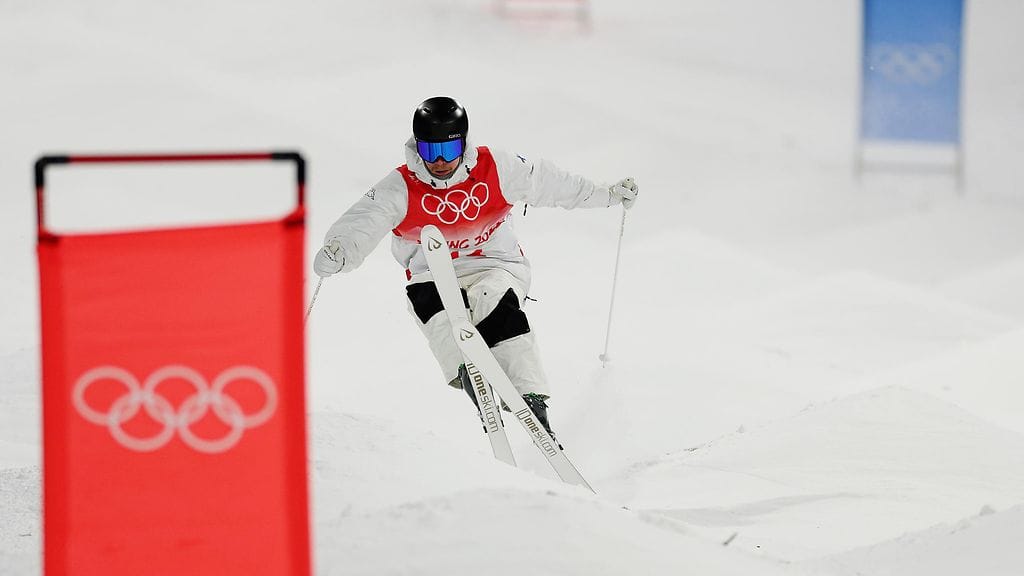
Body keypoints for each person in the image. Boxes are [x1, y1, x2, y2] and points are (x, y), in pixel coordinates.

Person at [314, 96, 637, 442]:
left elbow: (552, 183)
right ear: (416, 147)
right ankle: (472, 377)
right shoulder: (401, 186)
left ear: (463, 144)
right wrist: (340, 251)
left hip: (496, 264)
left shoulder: (497, 166)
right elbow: (364, 220)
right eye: (429, 150)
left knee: (494, 301)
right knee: (430, 305)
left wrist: (607, 193)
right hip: (433, 273)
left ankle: (532, 403)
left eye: (448, 151)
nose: (439, 161)